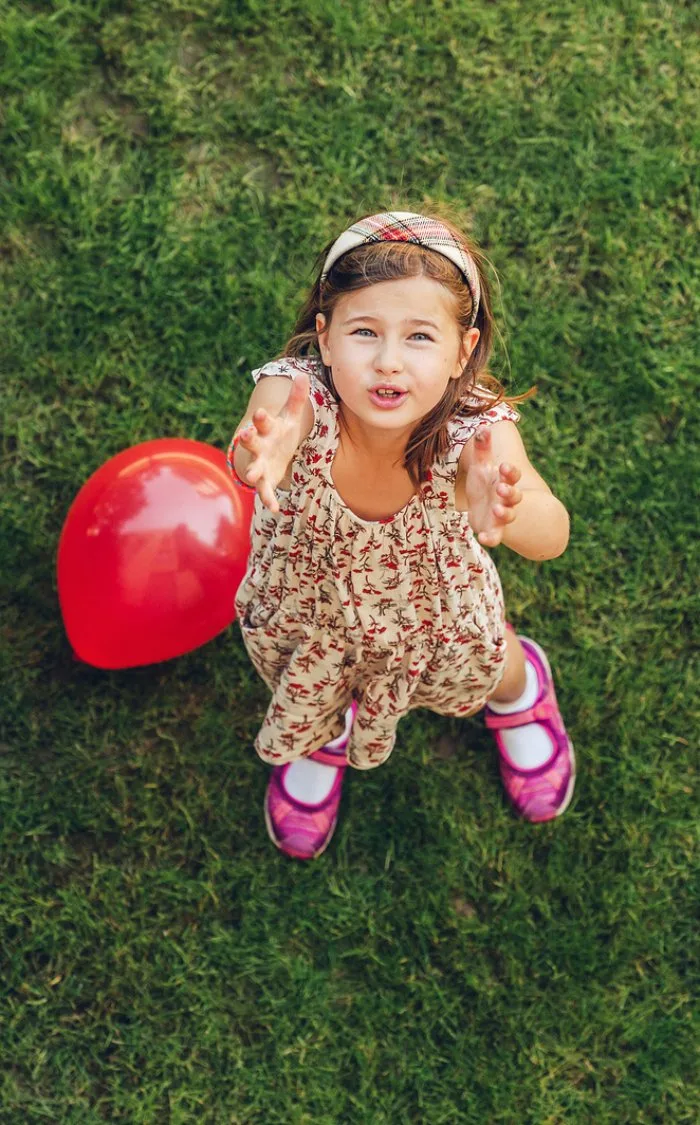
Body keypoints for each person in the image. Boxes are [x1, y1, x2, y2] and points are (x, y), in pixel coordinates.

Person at [226, 209, 575, 860]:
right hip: (314, 597)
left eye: (419, 336)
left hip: (432, 602)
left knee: (481, 661)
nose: (388, 362)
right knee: (315, 680)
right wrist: (263, 455)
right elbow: (271, 428)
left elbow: (550, 532)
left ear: (461, 350)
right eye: (365, 332)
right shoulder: (300, 394)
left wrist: (507, 507)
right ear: (326, 341)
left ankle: (521, 689)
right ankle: (322, 732)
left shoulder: (478, 431)